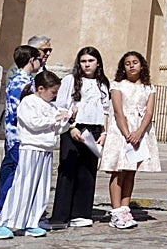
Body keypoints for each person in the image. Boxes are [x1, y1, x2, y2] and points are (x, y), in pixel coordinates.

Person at [0, 71, 69, 240]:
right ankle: (5, 223)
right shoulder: (28, 102)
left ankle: (31, 221)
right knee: (23, 186)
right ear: (41, 88)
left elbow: (58, 129)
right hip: (30, 149)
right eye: (53, 92)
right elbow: (34, 124)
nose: (55, 96)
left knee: (41, 188)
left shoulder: (51, 106)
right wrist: (55, 119)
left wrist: (66, 119)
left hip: (46, 150)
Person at [50, 46, 110, 229]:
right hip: (74, 127)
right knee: (68, 171)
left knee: (88, 171)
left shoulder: (103, 83)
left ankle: (81, 212)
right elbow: (61, 105)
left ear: (97, 62)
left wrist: (104, 132)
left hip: (94, 130)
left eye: (90, 61)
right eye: (83, 61)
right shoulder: (70, 80)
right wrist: (71, 127)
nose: (87, 65)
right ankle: (61, 215)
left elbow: (106, 110)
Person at [99, 51, 160, 229]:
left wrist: (139, 132)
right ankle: (116, 211)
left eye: (135, 62)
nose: (131, 65)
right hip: (121, 132)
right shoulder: (118, 85)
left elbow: (149, 112)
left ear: (141, 65)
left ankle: (125, 208)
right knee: (119, 170)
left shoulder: (149, 88)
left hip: (139, 132)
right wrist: (127, 134)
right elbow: (118, 112)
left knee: (131, 171)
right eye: (127, 63)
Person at [0, 45, 42, 226]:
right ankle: (0, 209)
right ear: (31, 60)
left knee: (14, 171)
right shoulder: (22, 82)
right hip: (18, 135)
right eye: (39, 59)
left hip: (16, 134)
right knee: (17, 174)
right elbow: (22, 110)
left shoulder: (23, 79)